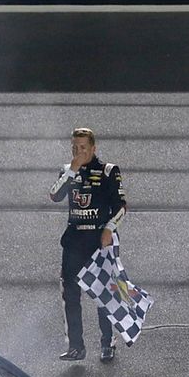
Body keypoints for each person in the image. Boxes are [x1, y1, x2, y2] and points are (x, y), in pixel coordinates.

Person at [49, 127, 127, 363]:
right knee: (70, 293)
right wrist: (72, 170)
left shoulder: (108, 171)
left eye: (83, 147)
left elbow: (122, 207)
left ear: (93, 148)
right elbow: (54, 195)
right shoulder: (66, 170)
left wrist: (109, 229)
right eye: (74, 147)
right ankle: (76, 346)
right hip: (73, 242)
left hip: (98, 242)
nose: (78, 151)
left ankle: (107, 342)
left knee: (103, 293)